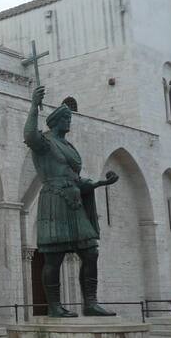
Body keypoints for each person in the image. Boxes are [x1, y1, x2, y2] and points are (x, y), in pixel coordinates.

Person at [24, 87, 119, 317]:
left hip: (74, 200)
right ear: (56, 122)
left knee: (90, 251)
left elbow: (76, 178)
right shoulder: (46, 143)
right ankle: (55, 307)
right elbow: (29, 135)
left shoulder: (69, 146)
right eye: (66, 119)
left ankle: (90, 302)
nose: (69, 122)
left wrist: (100, 184)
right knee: (53, 256)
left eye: (69, 118)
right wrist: (33, 106)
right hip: (55, 199)